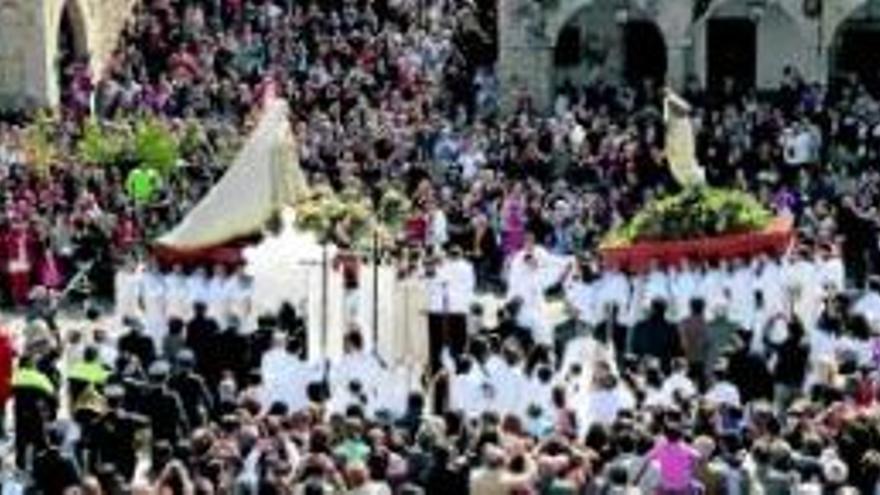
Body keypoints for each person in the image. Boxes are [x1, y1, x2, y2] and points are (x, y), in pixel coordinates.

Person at [0, 323, 14, 439]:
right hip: (3, 383)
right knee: (2, 408)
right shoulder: (7, 345)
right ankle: (2, 431)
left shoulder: (7, 344)